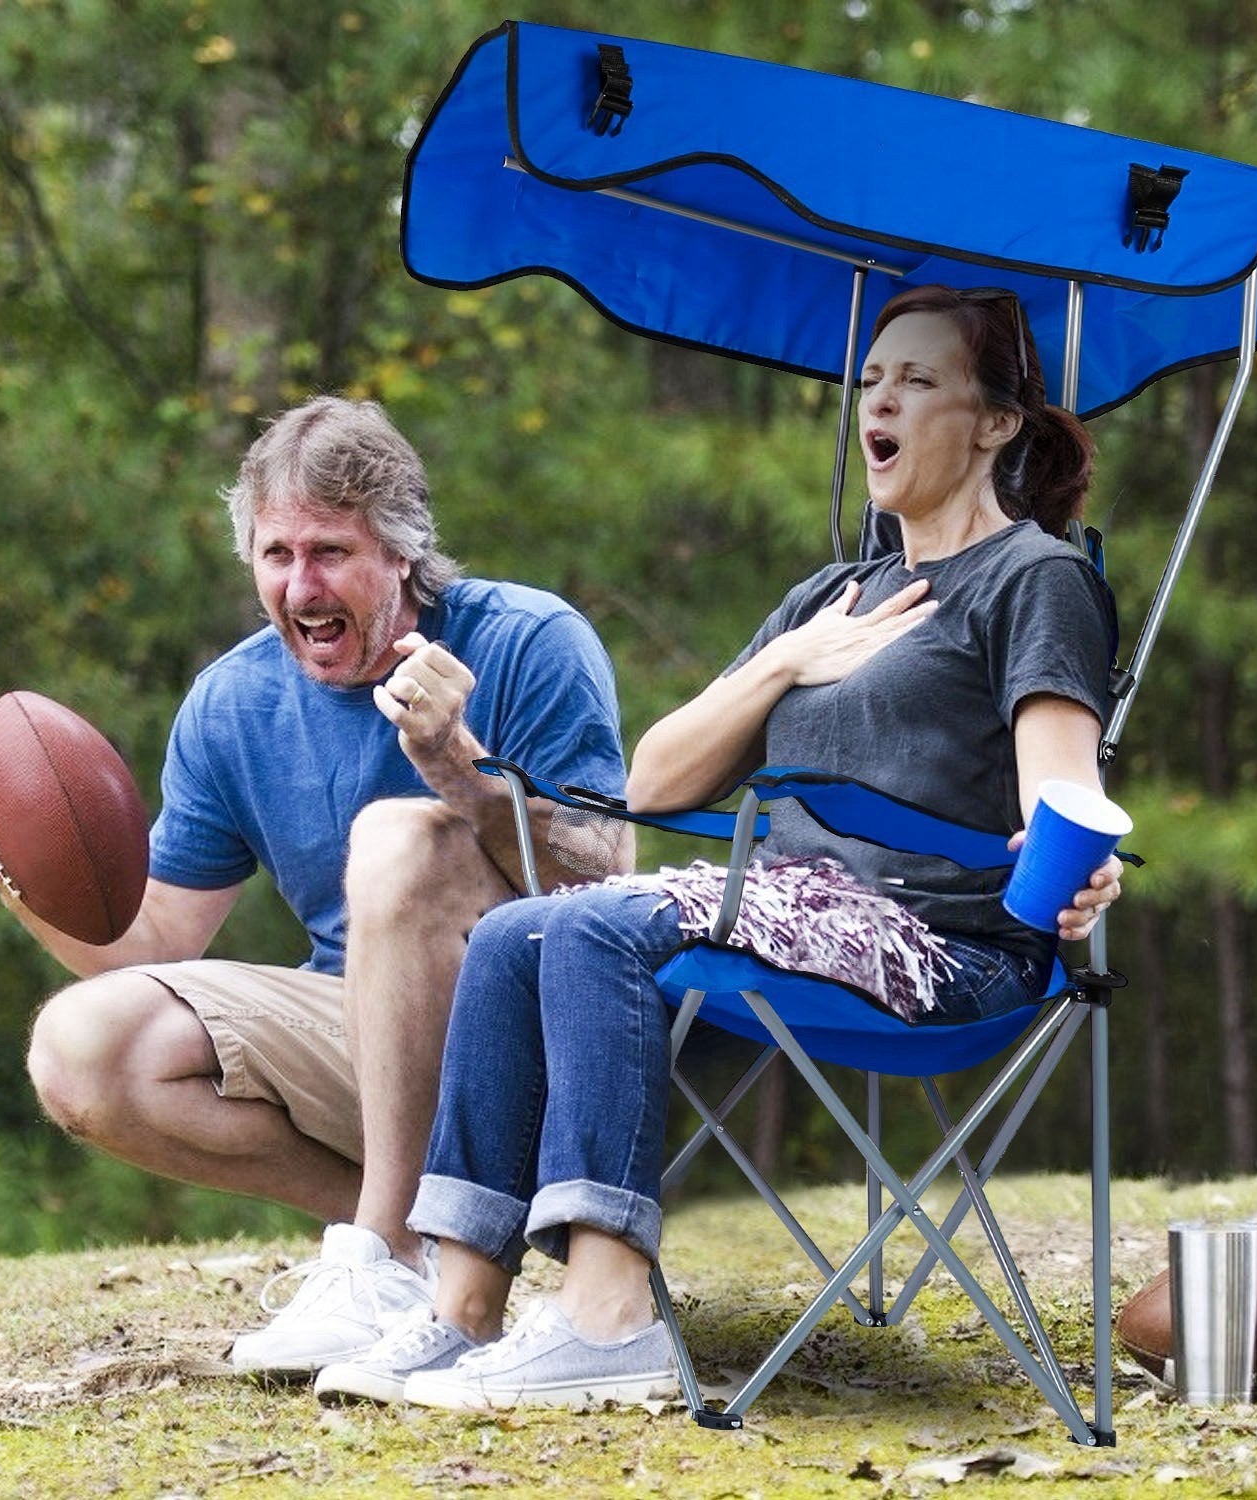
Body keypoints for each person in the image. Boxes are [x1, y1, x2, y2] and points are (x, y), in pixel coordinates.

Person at [309, 284, 1126, 1410]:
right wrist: (788, 661)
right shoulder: (831, 594)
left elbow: (1061, 786)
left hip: (939, 941)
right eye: (871, 380)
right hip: (777, 902)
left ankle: (608, 1320)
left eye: (919, 380)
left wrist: (1078, 864)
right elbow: (654, 782)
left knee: (596, 924)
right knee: (510, 932)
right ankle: (459, 1311)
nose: (878, 402)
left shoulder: (1036, 578)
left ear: (995, 422)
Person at [0, 396, 630, 1376]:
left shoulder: (529, 643)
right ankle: (406, 1244)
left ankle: (391, 1245)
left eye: (330, 552)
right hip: (364, 1041)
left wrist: (463, 772)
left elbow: (605, 883)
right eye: (278, 555)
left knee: (396, 837)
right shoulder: (232, 703)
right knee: (82, 1046)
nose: (300, 583)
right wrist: (28, 881)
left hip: (537, 1049)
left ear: (401, 554)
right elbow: (153, 943)